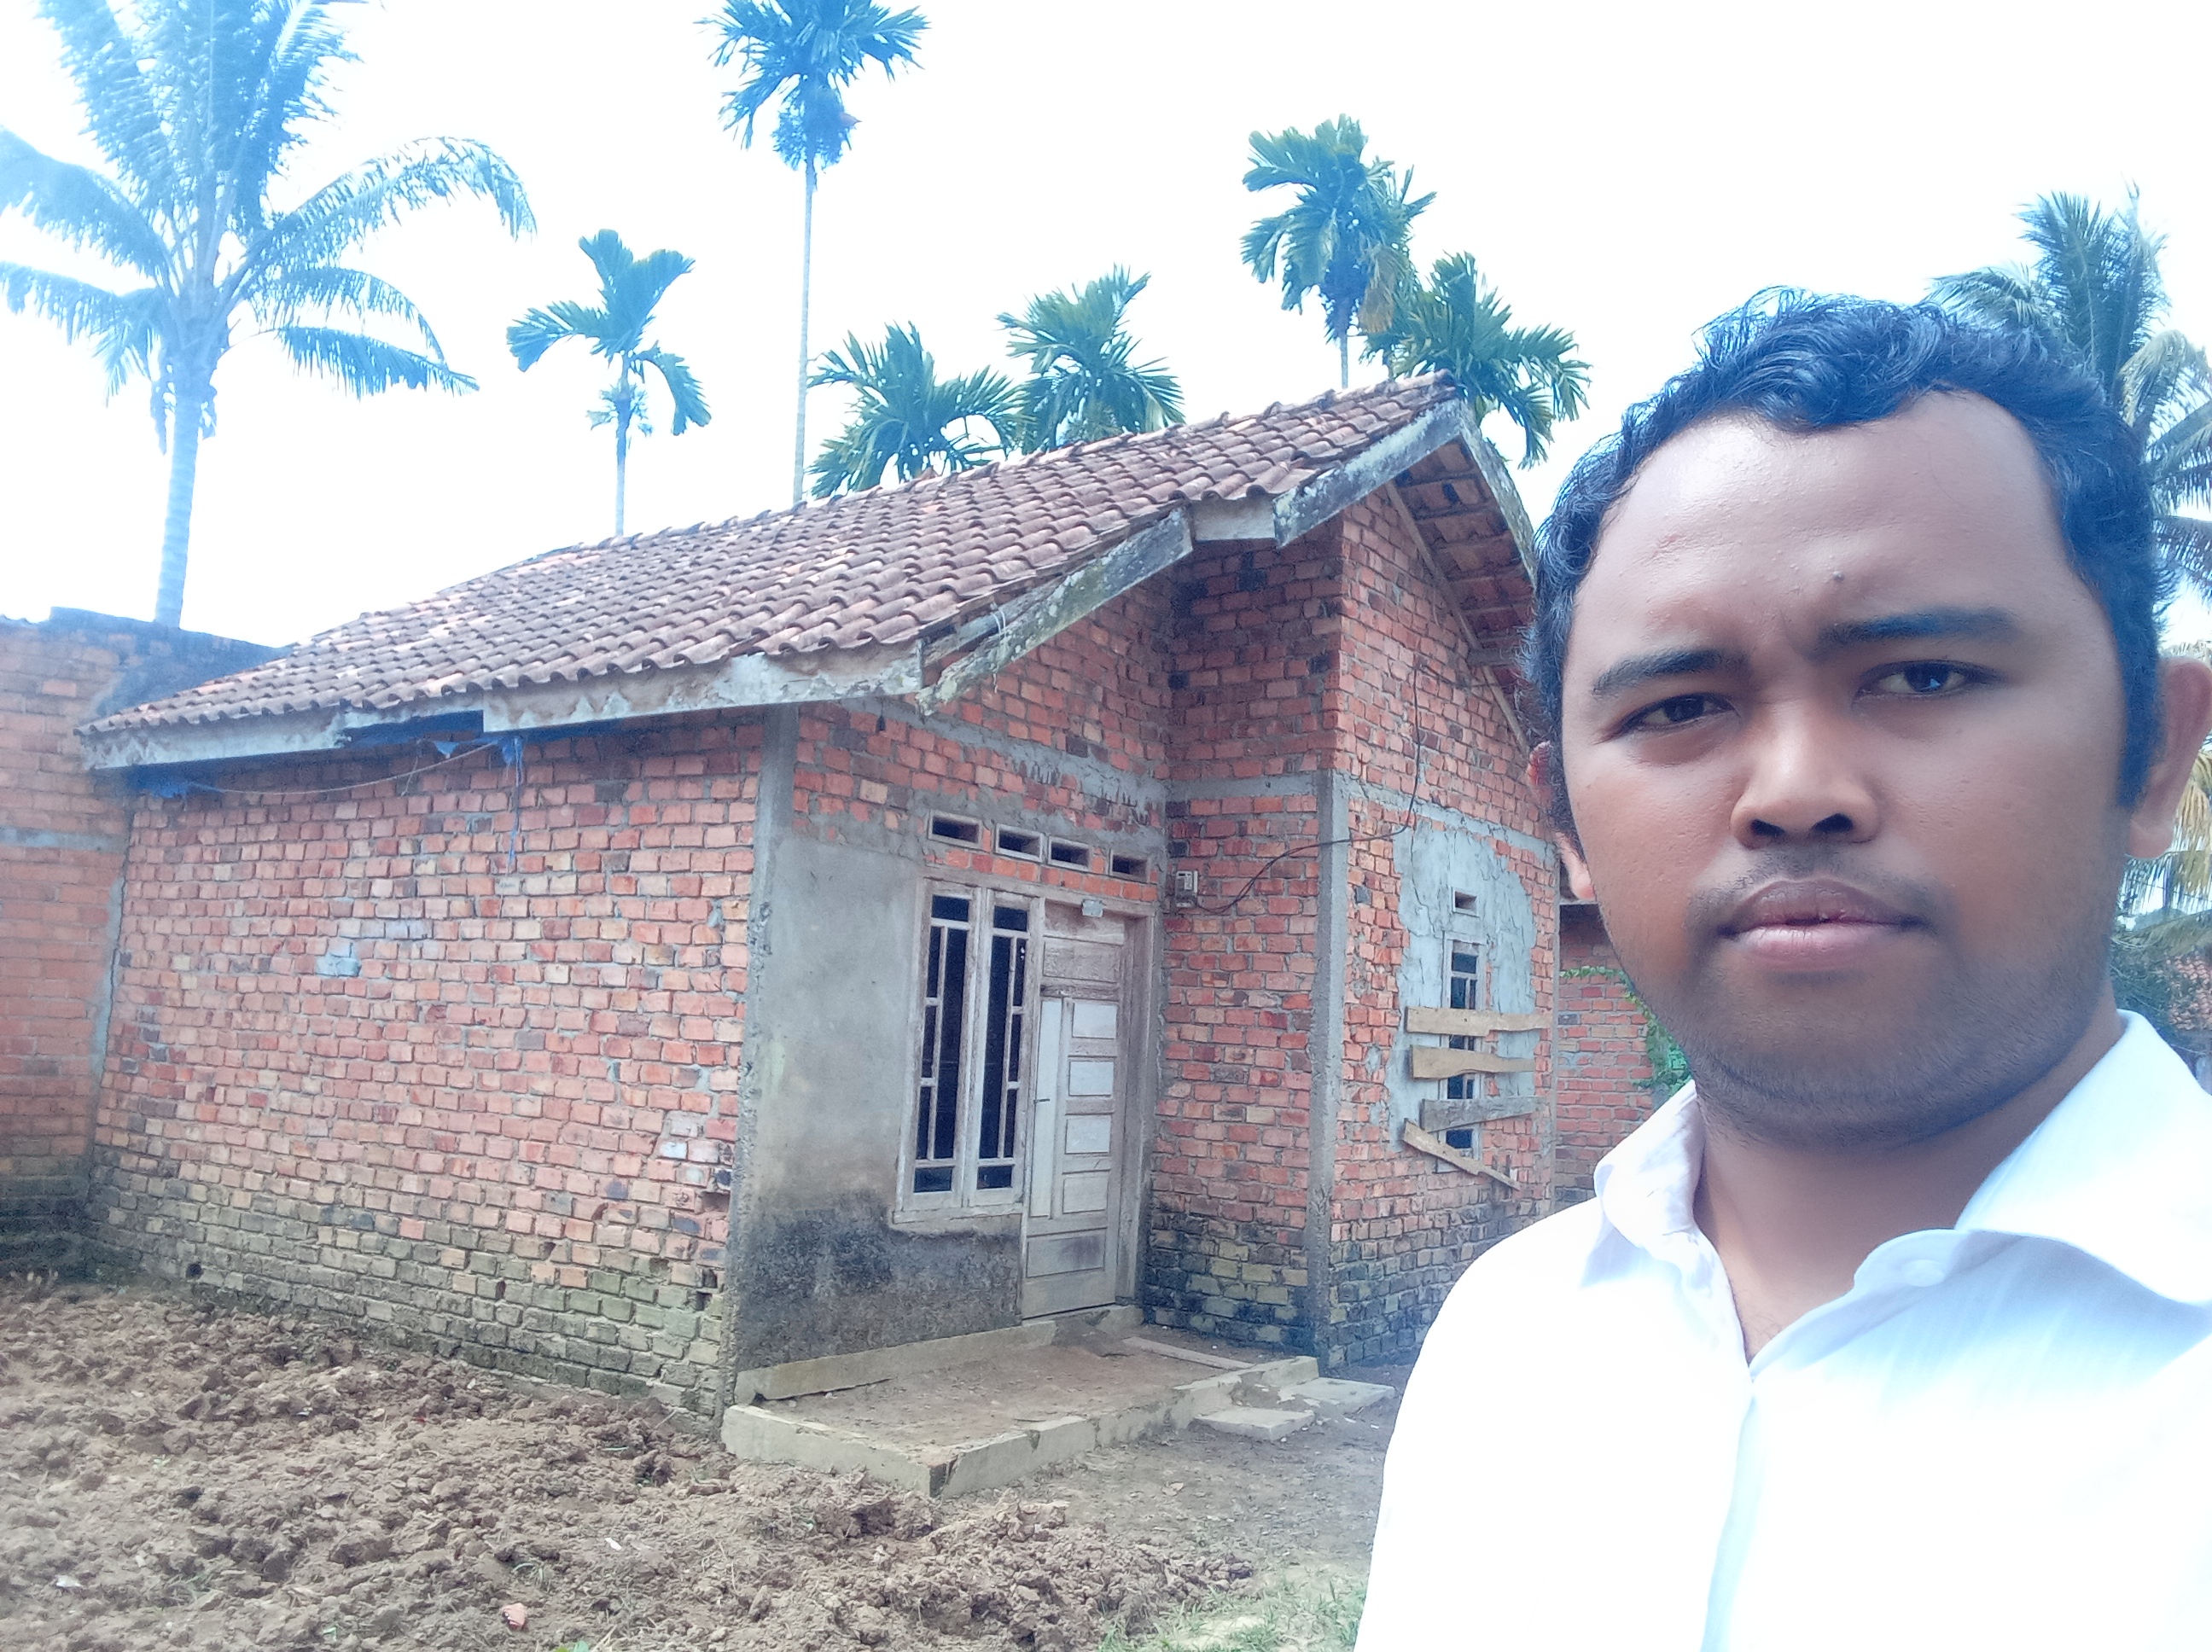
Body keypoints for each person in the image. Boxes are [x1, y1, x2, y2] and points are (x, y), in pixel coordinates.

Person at [1356, 293, 2212, 1652]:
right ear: (1564, 826)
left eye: (1926, 676)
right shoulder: (1501, 1342)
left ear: (2154, 756)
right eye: (1681, 707)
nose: (1797, 791)